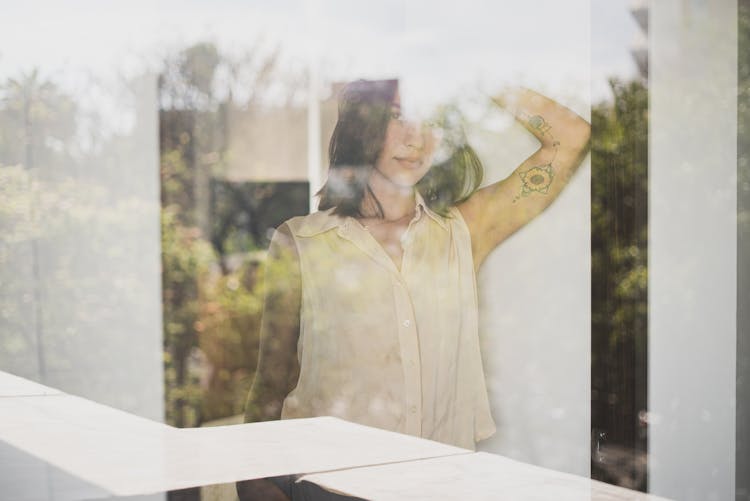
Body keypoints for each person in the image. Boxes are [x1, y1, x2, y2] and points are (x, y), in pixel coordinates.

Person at [236, 79, 590, 500]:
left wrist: (474, 73)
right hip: (326, 490)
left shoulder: (463, 233)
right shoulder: (302, 243)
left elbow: (570, 136)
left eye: (433, 119)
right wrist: (257, 486)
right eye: (398, 115)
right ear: (361, 124)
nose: (415, 137)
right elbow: (271, 386)